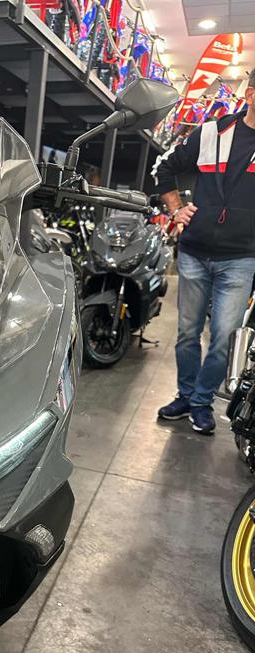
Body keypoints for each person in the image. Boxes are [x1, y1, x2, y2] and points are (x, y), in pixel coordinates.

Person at [154, 68, 255, 435]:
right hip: (195, 251)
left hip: (241, 258)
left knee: (224, 337)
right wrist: (175, 209)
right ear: (250, 94)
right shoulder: (212, 132)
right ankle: (186, 396)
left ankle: (201, 401)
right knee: (187, 332)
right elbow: (164, 169)